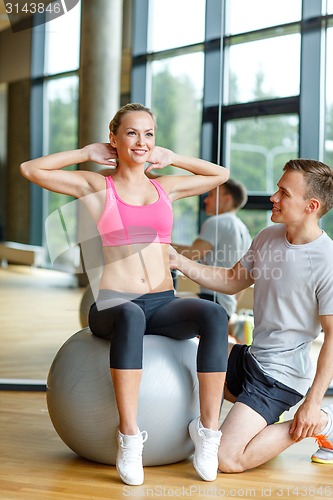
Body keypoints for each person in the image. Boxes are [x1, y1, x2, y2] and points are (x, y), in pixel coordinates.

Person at [20, 103, 230, 486]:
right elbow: (30, 169)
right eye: (131, 133)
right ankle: (130, 437)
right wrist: (86, 152)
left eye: (149, 134)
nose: (141, 141)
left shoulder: (165, 187)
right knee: (131, 315)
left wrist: (173, 157)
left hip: (163, 301)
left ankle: (208, 432)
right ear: (114, 138)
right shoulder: (98, 185)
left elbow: (221, 174)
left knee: (214, 315)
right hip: (114, 305)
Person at [169, 159, 333, 474]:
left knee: (226, 459)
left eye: (284, 193)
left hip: (279, 378)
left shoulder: (327, 261)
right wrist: (179, 261)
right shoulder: (268, 236)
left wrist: (312, 404)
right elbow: (232, 280)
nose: (273, 197)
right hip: (252, 359)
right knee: (186, 353)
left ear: (311, 205)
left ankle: (323, 423)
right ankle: (251, 422)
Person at [173, 179, 252, 319]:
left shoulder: (218, 222)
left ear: (227, 199)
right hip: (227, 306)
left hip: (211, 299)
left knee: (161, 305)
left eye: (210, 195)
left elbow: (191, 253)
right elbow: (242, 280)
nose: (206, 200)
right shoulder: (243, 230)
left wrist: (159, 245)